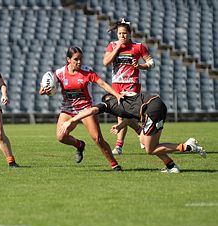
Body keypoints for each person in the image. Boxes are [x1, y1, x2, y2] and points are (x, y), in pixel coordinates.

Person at [59, 93, 206, 173]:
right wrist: (119, 126)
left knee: (150, 149)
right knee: (145, 140)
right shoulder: (124, 98)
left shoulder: (108, 104)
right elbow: (129, 120)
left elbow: (90, 110)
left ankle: (188, 147)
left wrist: (72, 121)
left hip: (152, 110)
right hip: (158, 104)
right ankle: (171, 166)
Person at [40, 46, 124, 171]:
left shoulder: (87, 72)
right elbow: (47, 85)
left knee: (97, 139)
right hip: (68, 109)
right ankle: (80, 145)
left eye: (81, 59)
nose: (79, 62)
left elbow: (102, 84)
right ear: (68, 60)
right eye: (76, 59)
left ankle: (114, 164)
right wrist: (44, 90)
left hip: (86, 109)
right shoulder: (60, 73)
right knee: (61, 137)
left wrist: (117, 95)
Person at [103, 18, 155, 155]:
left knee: (126, 115)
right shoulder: (112, 45)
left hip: (132, 84)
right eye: (120, 34)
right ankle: (138, 132)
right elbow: (105, 62)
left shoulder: (138, 46)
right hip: (116, 85)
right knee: (122, 115)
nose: (122, 36)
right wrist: (118, 48)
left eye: (124, 33)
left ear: (130, 33)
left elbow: (151, 63)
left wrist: (140, 66)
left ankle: (119, 146)